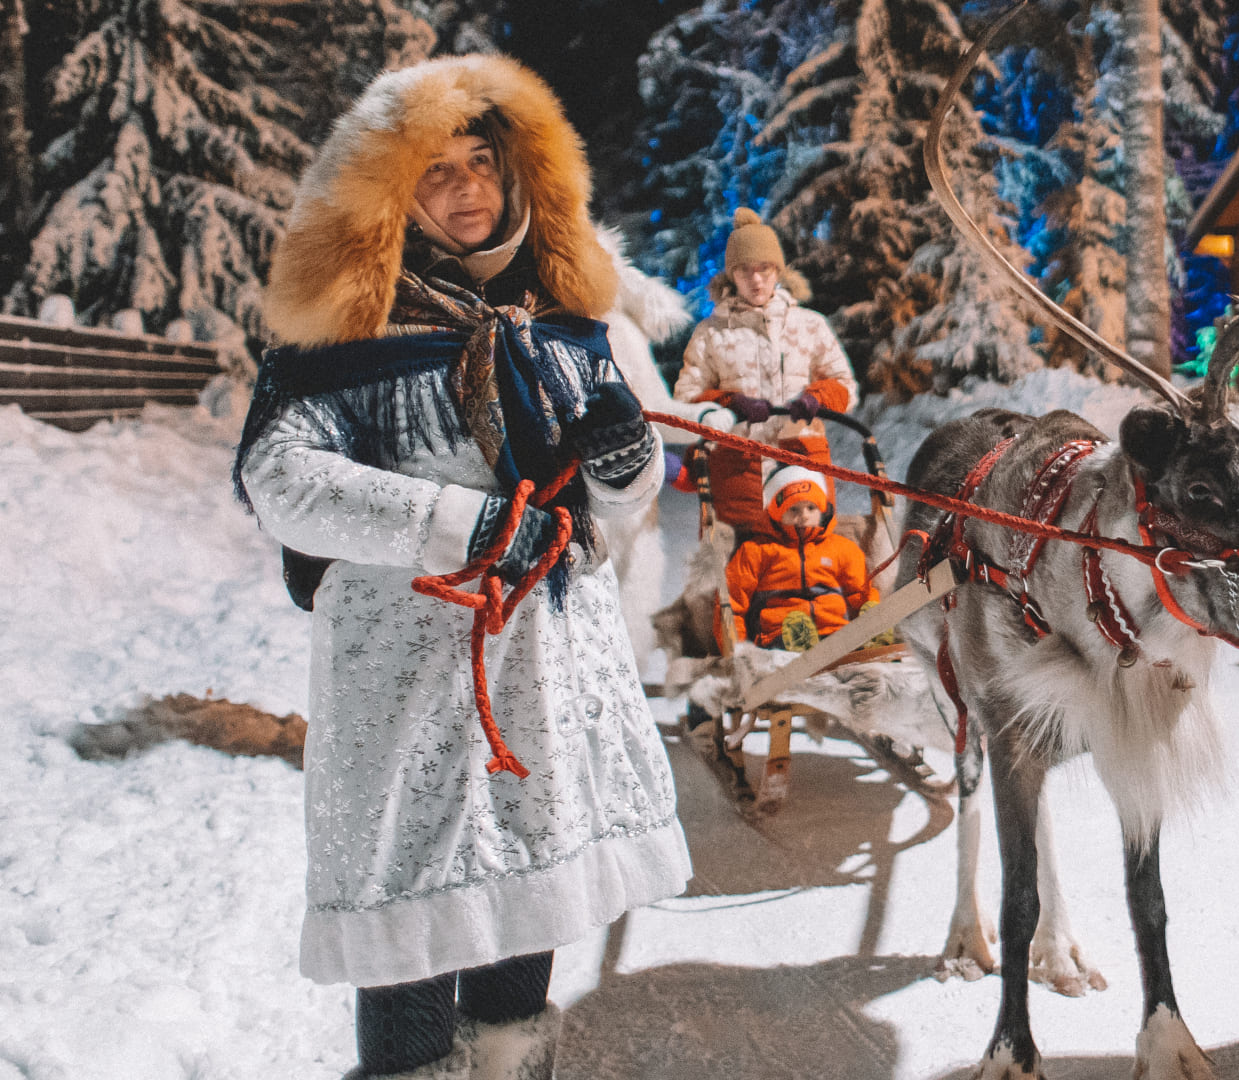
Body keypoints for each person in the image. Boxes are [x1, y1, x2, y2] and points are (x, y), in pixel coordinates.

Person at [235, 55, 691, 1079]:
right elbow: (281, 480)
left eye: (483, 163)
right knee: (414, 929)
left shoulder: (565, 332)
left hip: (550, 683)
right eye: (435, 172)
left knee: (533, 902)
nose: (469, 190)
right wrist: (465, 525)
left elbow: (616, 506)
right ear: (390, 195)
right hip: (414, 697)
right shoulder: (344, 339)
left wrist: (627, 465)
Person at [673, 207, 858, 530]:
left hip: (803, 460)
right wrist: (730, 403)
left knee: (811, 559)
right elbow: (686, 399)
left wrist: (818, 398)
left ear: (778, 270)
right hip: (739, 466)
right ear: (731, 275)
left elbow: (844, 385)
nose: (755, 279)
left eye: (764, 268)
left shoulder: (810, 325)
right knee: (746, 563)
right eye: (744, 270)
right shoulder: (710, 333)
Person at [724, 465, 873, 650]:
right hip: (778, 635)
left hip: (835, 632)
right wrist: (737, 648)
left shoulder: (841, 548)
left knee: (866, 615)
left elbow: (859, 593)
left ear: (822, 510)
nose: (804, 516)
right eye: (794, 509)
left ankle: (875, 634)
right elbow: (732, 603)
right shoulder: (756, 551)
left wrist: (870, 612)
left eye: (811, 508)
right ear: (777, 513)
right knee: (794, 628)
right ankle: (800, 644)